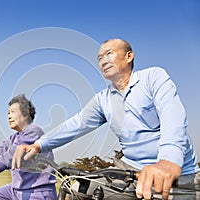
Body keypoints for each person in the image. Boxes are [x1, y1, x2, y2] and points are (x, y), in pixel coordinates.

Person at [12, 39, 200, 199]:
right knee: (79, 190)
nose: (103, 60)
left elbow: (173, 117)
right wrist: (38, 145)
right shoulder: (103, 99)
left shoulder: (153, 77)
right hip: (130, 172)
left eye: (109, 54)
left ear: (129, 56)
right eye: (100, 58)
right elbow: (77, 124)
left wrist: (168, 161)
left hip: (177, 175)